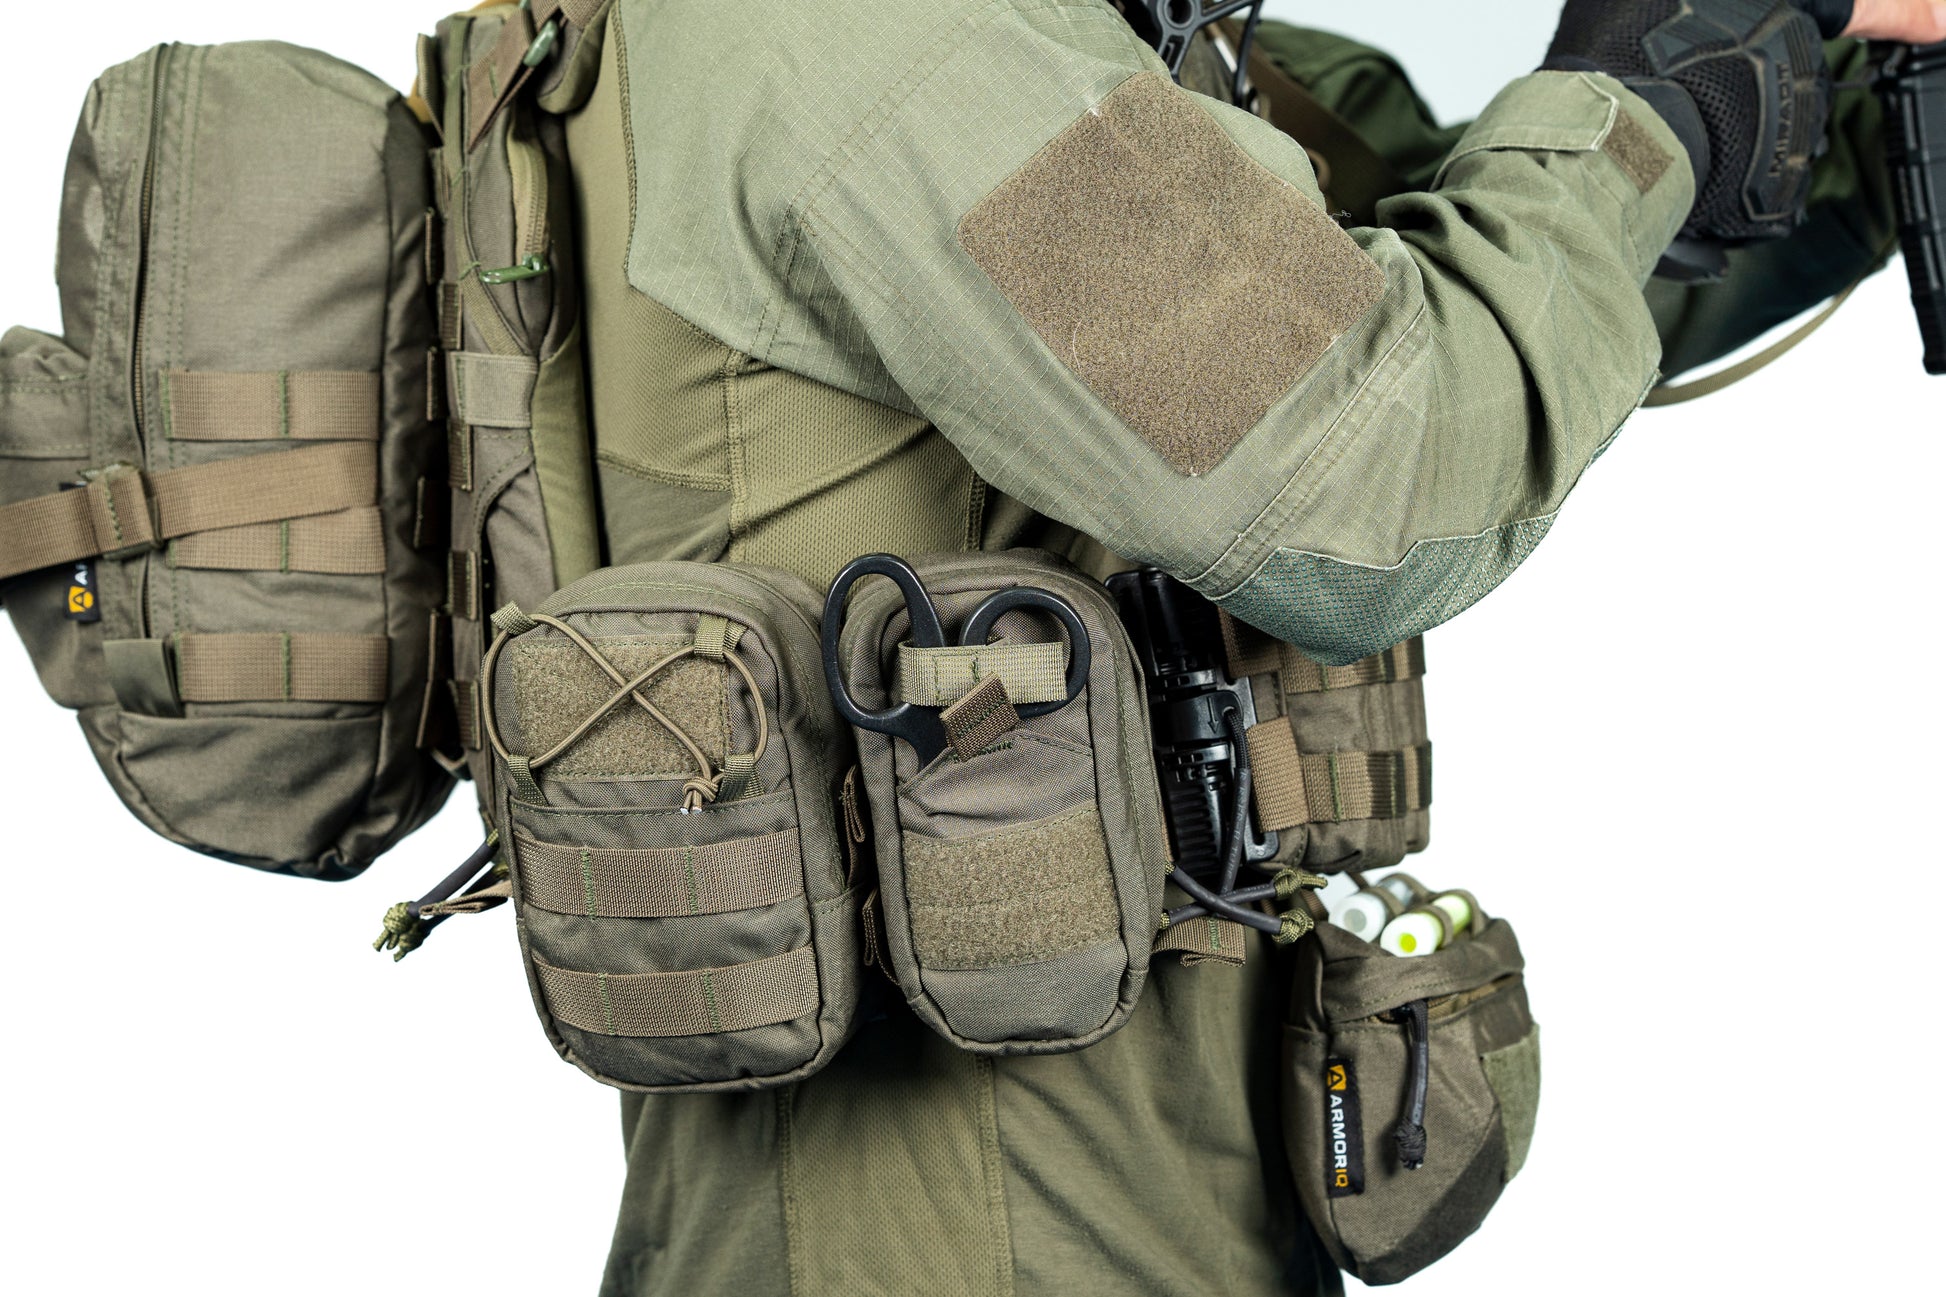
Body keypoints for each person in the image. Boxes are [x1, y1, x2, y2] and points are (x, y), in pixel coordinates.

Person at [561, 1, 1942, 1293]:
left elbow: (1513, 285)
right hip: (978, 1228)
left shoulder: (1089, 50)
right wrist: (1652, 96)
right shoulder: (883, 36)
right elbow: (1378, 468)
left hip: (1115, 1180)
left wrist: (1818, 83)